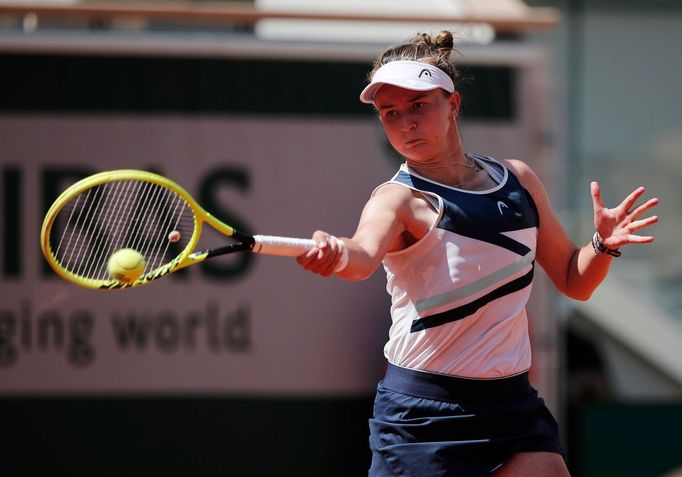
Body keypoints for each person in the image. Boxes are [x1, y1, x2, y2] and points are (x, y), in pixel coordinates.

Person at [296, 31, 659, 477]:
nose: (406, 123)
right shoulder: (397, 200)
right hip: (424, 414)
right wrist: (337, 254)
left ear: (453, 105)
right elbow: (361, 255)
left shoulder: (518, 180)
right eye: (390, 114)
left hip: (513, 405)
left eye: (419, 106)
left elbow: (573, 278)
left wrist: (603, 245)